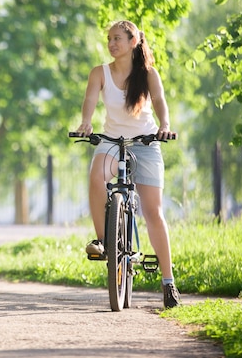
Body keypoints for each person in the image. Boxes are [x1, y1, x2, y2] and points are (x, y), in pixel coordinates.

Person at [75, 20, 181, 308]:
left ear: (134, 42)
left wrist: (165, 125)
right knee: (96, 175)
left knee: (154, 213)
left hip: (145, 143)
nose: (112, 44)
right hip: (111, 140)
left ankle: (168, 283)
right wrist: (86, 122)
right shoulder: (100, 72)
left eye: (118, 39)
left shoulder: (147, 74)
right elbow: (89, 100)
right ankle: (102, 241)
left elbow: (159, 101)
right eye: (109, 39)